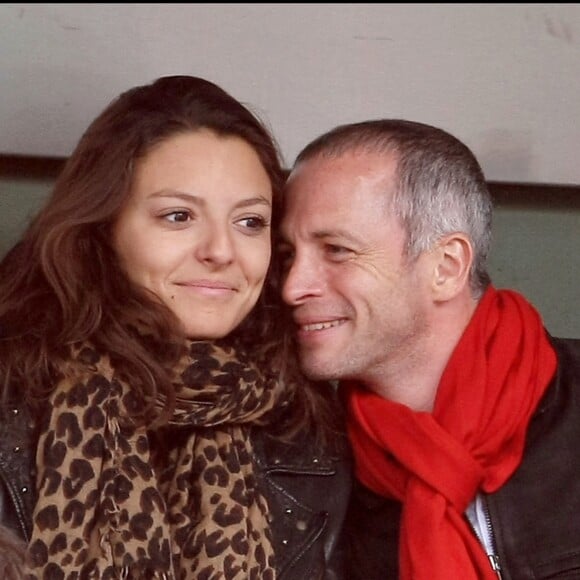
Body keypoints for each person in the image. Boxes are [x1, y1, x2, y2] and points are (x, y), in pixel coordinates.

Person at [0, 75, 351, 579]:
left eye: (250, 222)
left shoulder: (308, 426)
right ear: (104, 227)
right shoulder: (15, 392)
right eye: (179, 216)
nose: (221, 250)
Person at [280, 118, 580, 580]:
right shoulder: (306, 464)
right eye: (288, 257)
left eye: (337, 250)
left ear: (445, 267)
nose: (292, 287)